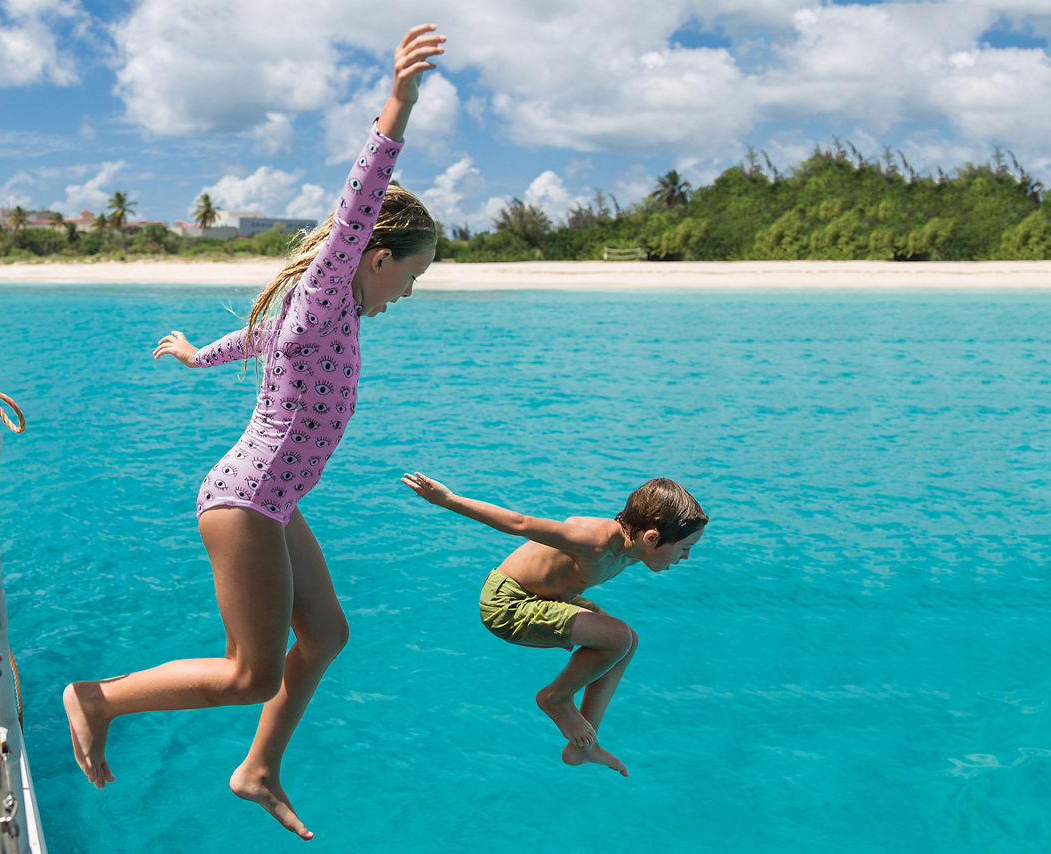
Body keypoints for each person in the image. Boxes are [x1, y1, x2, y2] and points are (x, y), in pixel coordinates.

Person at [62, 24, 446, 840]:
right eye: (411, 275)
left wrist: (197, 356)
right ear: (375, 256)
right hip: (246, 499)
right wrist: (398, 104)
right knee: (250, 674)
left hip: (273, 500)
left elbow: (258, 337)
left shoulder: (323, 315)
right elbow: (359, 199)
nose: (410, 292)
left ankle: (259, 770)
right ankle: (97, 699)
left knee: (327, 635)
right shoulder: (328, 292)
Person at [400, 472, 708, 776]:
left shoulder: (633, 548)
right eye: (685, 547)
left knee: (628, 641)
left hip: (549, 597)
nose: (686, 557)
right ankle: (555, 698)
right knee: (617, 637)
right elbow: (520, 523)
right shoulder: (596, 543)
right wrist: (447, 499)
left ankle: (583, 746)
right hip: (508, 603)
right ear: (652, 538)